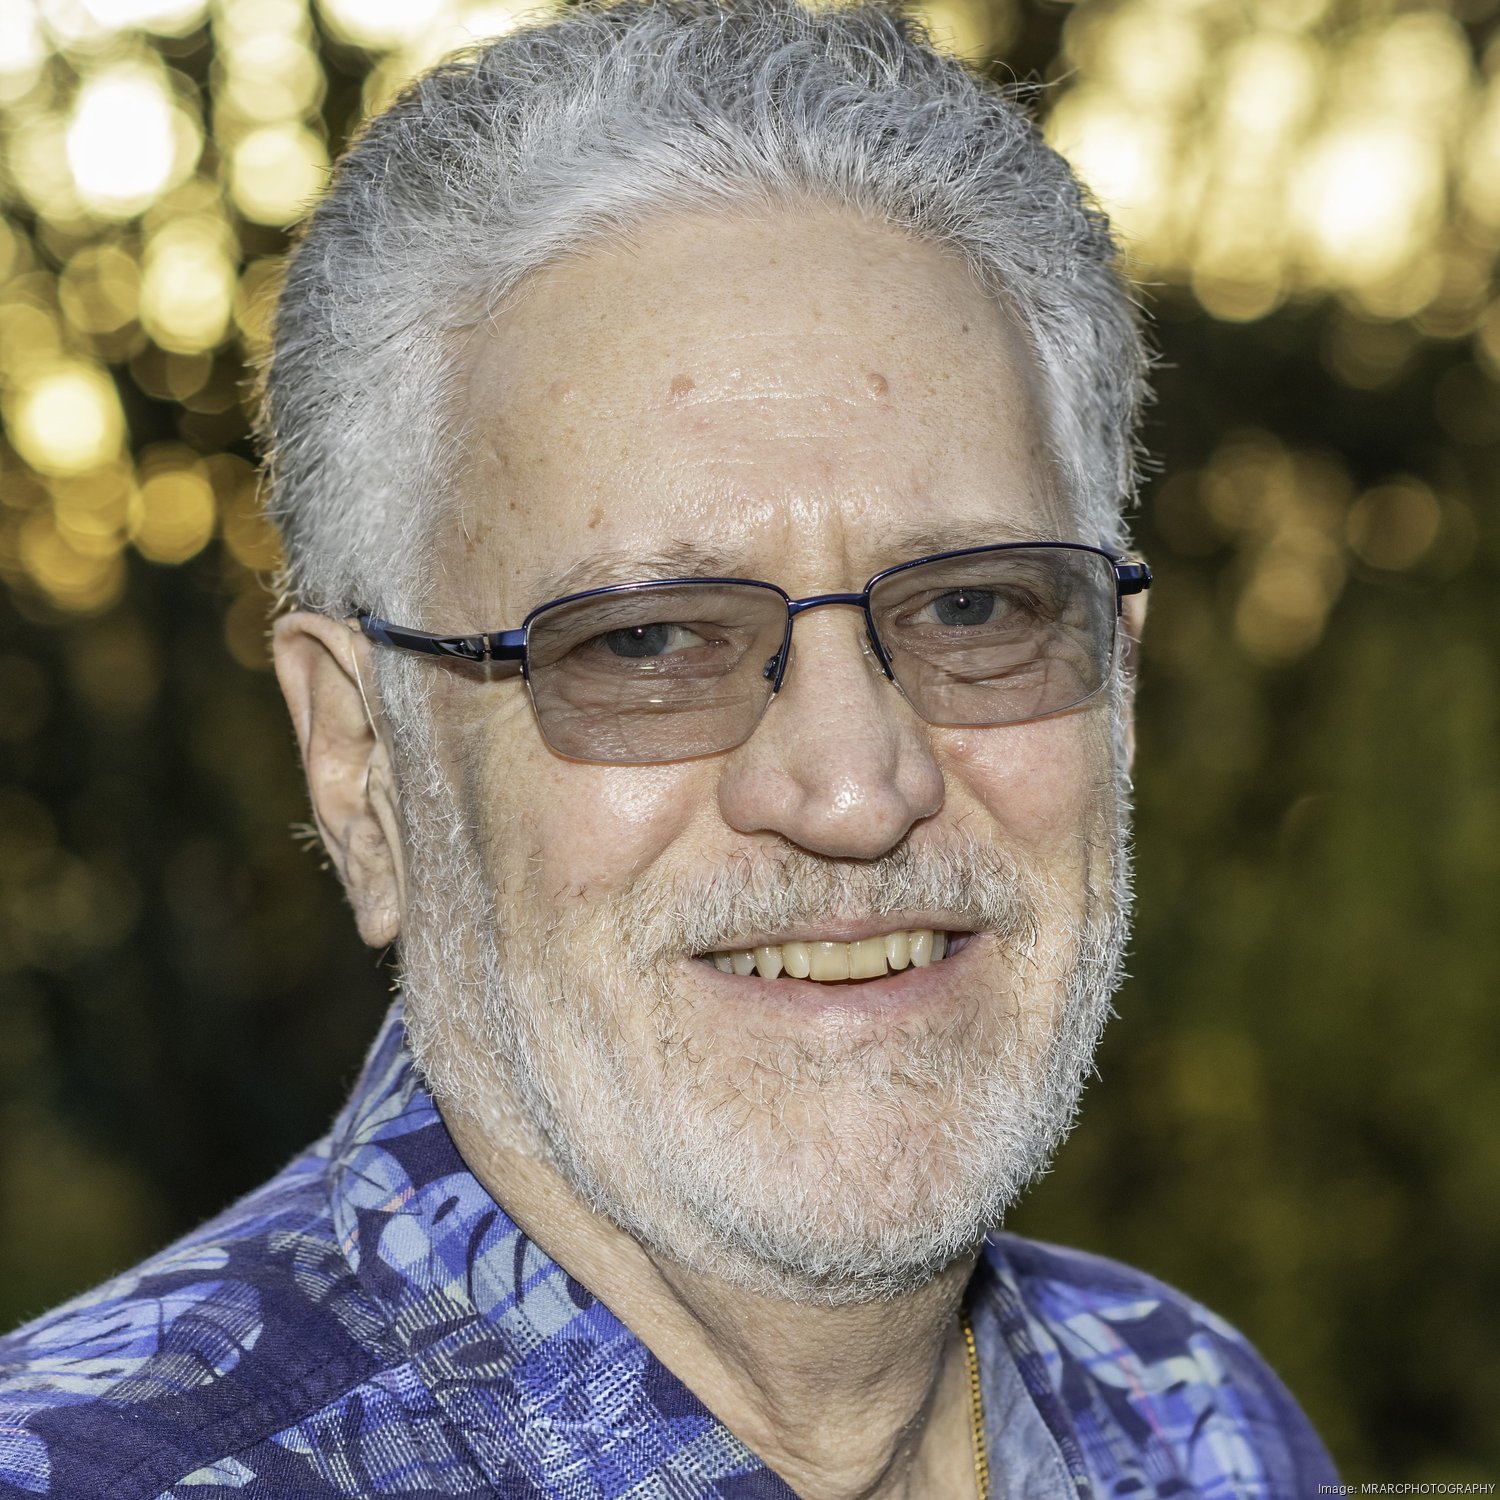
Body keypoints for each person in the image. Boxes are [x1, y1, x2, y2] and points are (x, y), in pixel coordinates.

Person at [0, 1, 1339, 1495]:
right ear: (362, 768)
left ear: (1119, 692)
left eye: (973, 607)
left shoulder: (1195, 1421)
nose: (854, 789)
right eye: (645, 642)